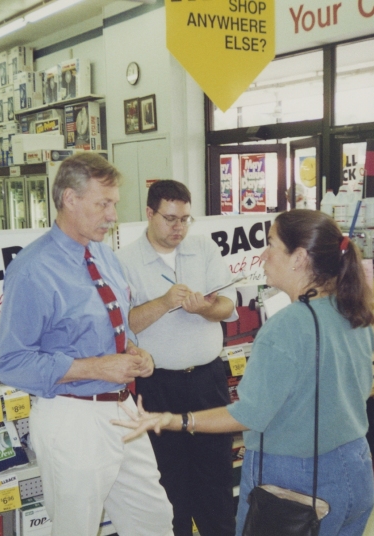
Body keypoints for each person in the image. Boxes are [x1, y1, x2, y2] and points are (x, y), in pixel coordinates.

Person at [114, 209, 374, 536]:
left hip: (294, 481)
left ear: (298, 258)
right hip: (355, 468)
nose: (263, 255)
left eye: (271, 244)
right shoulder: (352, 311)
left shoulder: (286, 326)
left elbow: (250, 415)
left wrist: (175, 420)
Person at [0, 153, 174, 536]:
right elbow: (12, 362)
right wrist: (96, 367)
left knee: (154, 519)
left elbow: (114, 326)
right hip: (72, 417)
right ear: (70, 199)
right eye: (103, 204)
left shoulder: (105, 256)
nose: (113, 215)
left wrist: (134, 352)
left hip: (123, 410)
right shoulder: (33, 269)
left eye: (114, 204)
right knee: (75, 527)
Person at [116, 180, 237, 536]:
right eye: (170, 219)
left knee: (216, 478)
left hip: (208, 381)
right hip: (158, 386)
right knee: (168, 483)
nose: (178, 228)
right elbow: (124, 324)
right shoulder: (124, 261)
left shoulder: (204, 248)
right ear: (149, 214)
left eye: (185, 219)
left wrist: (204, 309)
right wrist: (165, 302)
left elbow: (227, 306)